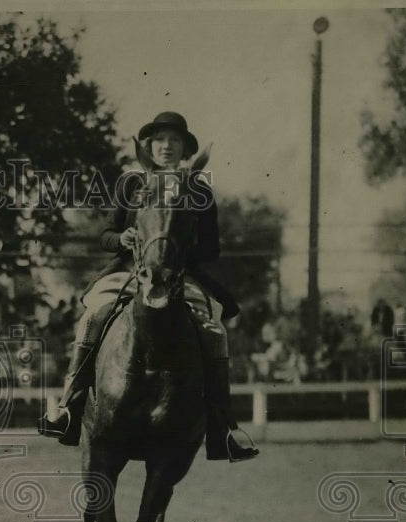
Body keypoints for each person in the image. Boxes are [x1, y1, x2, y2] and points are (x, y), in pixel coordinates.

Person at [39, 111, 259, 462]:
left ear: (186, 149)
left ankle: (225, 428)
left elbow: (211, 249)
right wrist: (123, 238)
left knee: (214, 326)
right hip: (129, 269)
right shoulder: (131, 184)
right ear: (149, 148)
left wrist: (177, 244)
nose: (167, 146)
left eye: (175, 141)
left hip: (180, 273)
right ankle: (69, 406)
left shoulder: (199, 189)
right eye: (160, 140)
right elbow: (106, 235)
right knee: (96, 313)